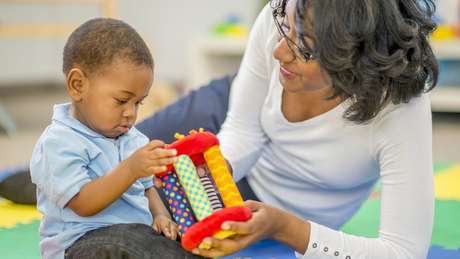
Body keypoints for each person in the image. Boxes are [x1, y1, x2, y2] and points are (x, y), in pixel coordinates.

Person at [183, 0, 438, 258]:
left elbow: (404, 252)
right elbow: (242, 128)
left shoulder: (401, 109)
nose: (279, 52)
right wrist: (217, 166)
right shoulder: (288, 10)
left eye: (304, 49)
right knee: (144, 163)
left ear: (355, 57)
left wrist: (284, 227)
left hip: (285, 215)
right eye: (284, 28)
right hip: (223, 115)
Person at [29, 18, 202, 259]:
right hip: (81, 245)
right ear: (78, 85)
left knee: (182, 239)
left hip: (136, 235)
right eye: (121, 100)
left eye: (138, 102)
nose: (131, 113)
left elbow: (147, 189)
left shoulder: (131, 137)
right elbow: (83, 203)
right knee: (127, 245)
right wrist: (131, 169)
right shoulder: (58, 142)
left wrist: (161, 216)